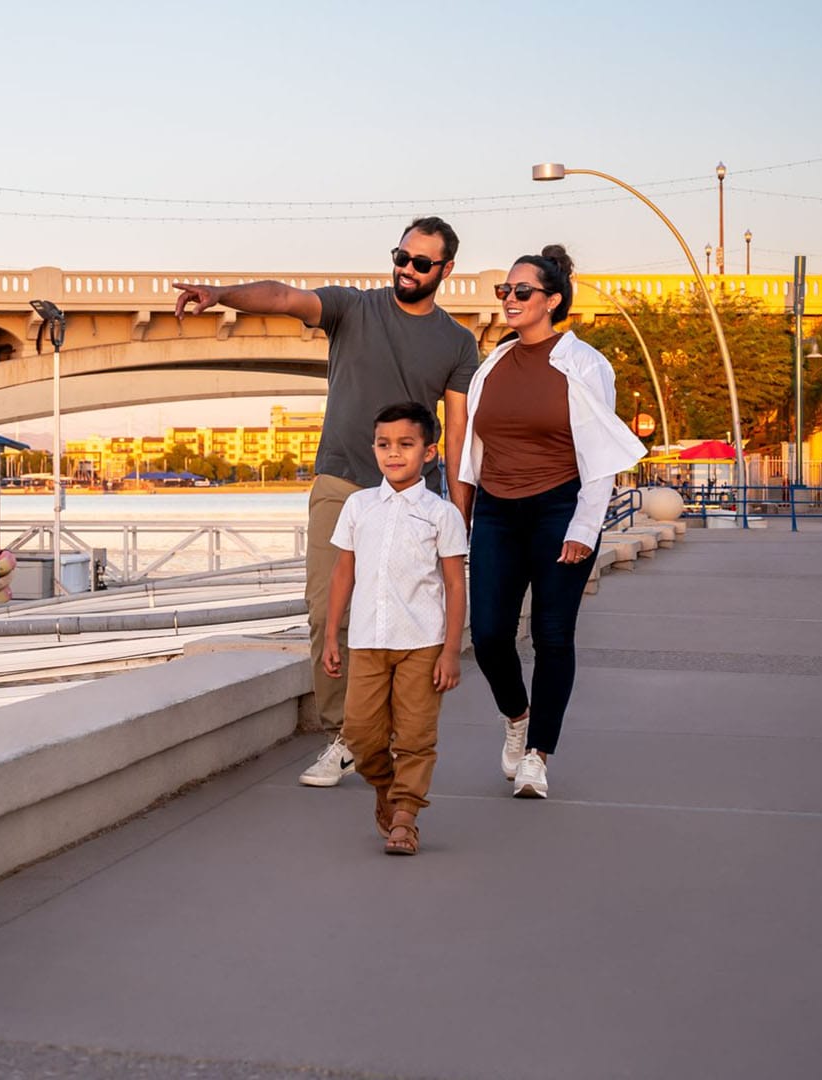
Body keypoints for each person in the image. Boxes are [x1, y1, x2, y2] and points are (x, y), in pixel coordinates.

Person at [176, 217, 480, 788]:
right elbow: (284, 297)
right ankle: (346, 734)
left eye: (420, 263)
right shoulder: (353, 308)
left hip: (414, 497)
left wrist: (459, 516)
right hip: (341, 483)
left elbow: (458, 433)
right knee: (327, 612)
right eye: (400, 256)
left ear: (445, 270)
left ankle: (389, 731)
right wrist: (221, 295)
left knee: (406, 618)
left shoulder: (458, 343)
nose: (406, 269)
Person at [458, 245, 646, 799]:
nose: (509, 301)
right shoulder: (491, 363)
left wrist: (584, 529)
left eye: (521, 292)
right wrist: (461, 514)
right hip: (495, 509)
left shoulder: (585, 363)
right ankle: (516, 716)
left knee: (552, 634)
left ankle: (538, 754)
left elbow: (598, 454)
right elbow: (473, 448)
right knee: (490, 635)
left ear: (552, 300)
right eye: (504, 292)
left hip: (558, 506)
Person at [320, 402, 467, 855]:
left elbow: (455, 584)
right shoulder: (358, 506)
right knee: (362, 736)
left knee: (416, 736)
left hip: (422, 642)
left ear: (428, 452)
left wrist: (450, 651)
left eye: (406, 444)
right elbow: (343, 572)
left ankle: (406, 817)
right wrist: (331, 635)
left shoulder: (441, 514)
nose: (393, 453)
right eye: (384, 445)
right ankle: (386, 790)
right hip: (366, 641)